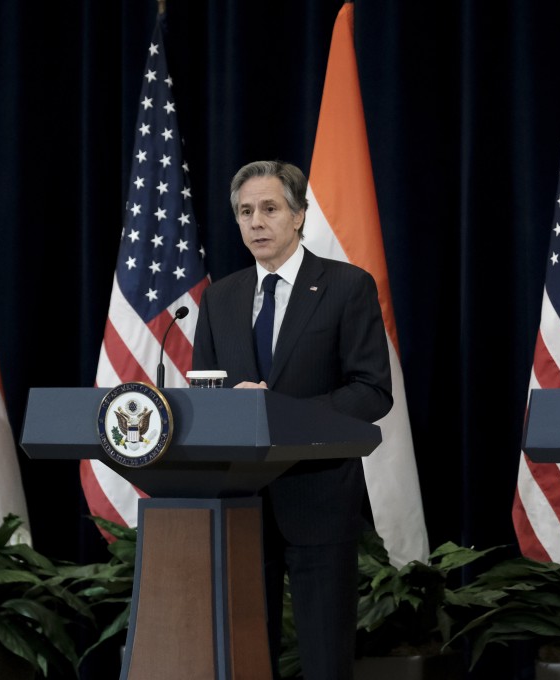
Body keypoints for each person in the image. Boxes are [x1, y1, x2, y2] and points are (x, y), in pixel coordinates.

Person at [192, 159, 392, 680]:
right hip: (240, 503)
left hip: (318, 496)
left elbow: (372, 391)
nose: (256, 222)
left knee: (325, 661)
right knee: (245, 659)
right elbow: (204, 396)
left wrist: (283, 414)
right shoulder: (219, 298)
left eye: (270, 208)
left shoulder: (347, 286)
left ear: (299, 215)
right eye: (245, 212)